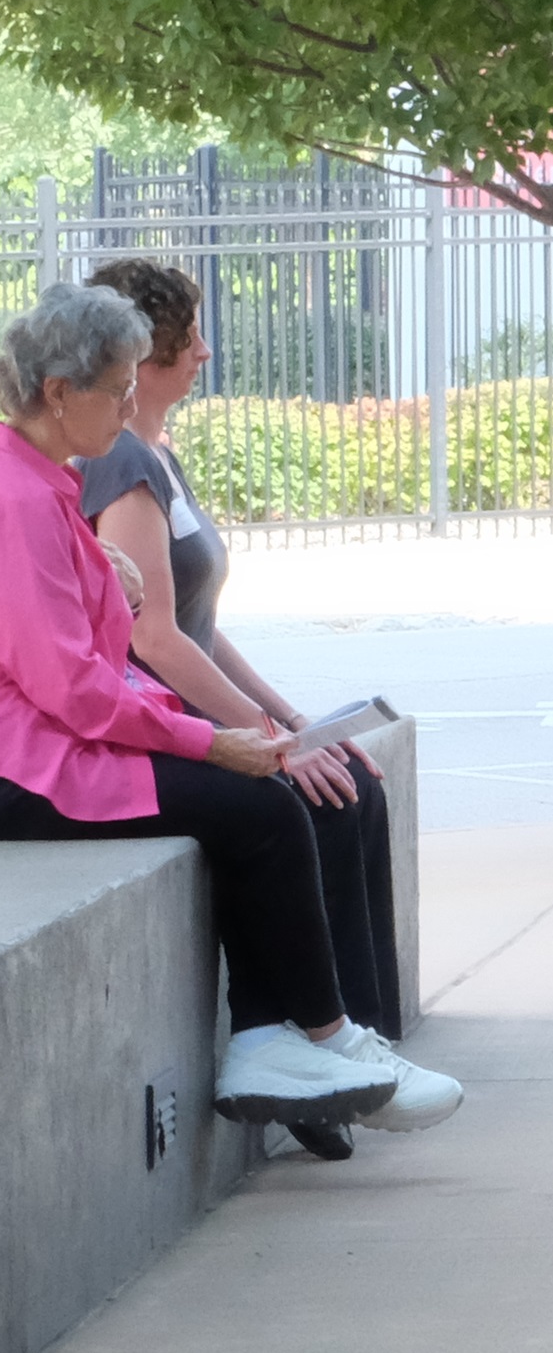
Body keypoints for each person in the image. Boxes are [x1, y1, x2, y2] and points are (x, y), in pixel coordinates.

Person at [0, 283, 460, 1131]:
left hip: (39, 747)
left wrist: (232, 724)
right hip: (4, 769)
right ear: (58, 392)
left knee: (267, 796)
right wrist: (209, 741)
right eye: (118, 386)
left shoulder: (39, 482)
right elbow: (73, 689)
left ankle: (281, 1041)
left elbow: (94, 661)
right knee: (258, 806)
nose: (131, 403)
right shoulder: (9, 496)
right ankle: (314, 1035)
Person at [76, 256, 441, 1152]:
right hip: (163, 720)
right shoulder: (121, 467)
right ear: (146, 355)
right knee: (302, 802)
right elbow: (152, 640)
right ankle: (314, 1055)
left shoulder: (157, 455)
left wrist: (289, 719)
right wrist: (258, 740)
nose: (204, 350)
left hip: (205, 708)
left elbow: (207, 626)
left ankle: (351, 1049)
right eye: (188, 336)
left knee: (350, 781)